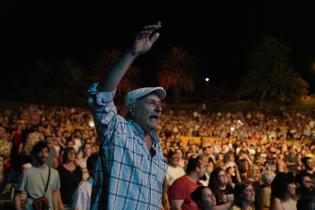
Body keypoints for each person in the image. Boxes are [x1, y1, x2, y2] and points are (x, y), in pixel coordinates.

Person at [88, 21, 168, 210]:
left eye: (160, 105)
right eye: (151, 103)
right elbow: (102, 97)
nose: (158, 108)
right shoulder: (118, 131)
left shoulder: (158, 150)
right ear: (132, 108)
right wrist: (131, 53)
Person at [14, 141, 60, 210]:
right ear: (35, 154)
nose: (44, 154)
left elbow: (55, 193)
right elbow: (17, 194)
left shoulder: (55, 173)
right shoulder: (27, 173)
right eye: (40, 152)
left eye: (46, 152)